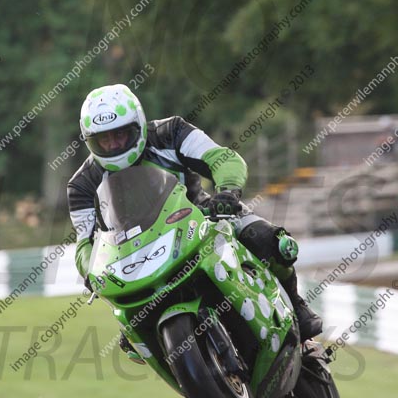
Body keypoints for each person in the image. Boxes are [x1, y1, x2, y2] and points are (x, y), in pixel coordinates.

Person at [66, 84, 322, 363]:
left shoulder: (170, 132)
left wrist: (227, 191)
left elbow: (222, 158)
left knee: (268, 240)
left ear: (137, 125)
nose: (114, 145)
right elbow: (85, 241)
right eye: (104, 139)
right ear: (90, 140)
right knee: (131, 340)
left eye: (120, 134)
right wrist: (90, 270)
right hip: (132, 256)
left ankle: (298, 314)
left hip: (203, 218)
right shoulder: (81, 185)